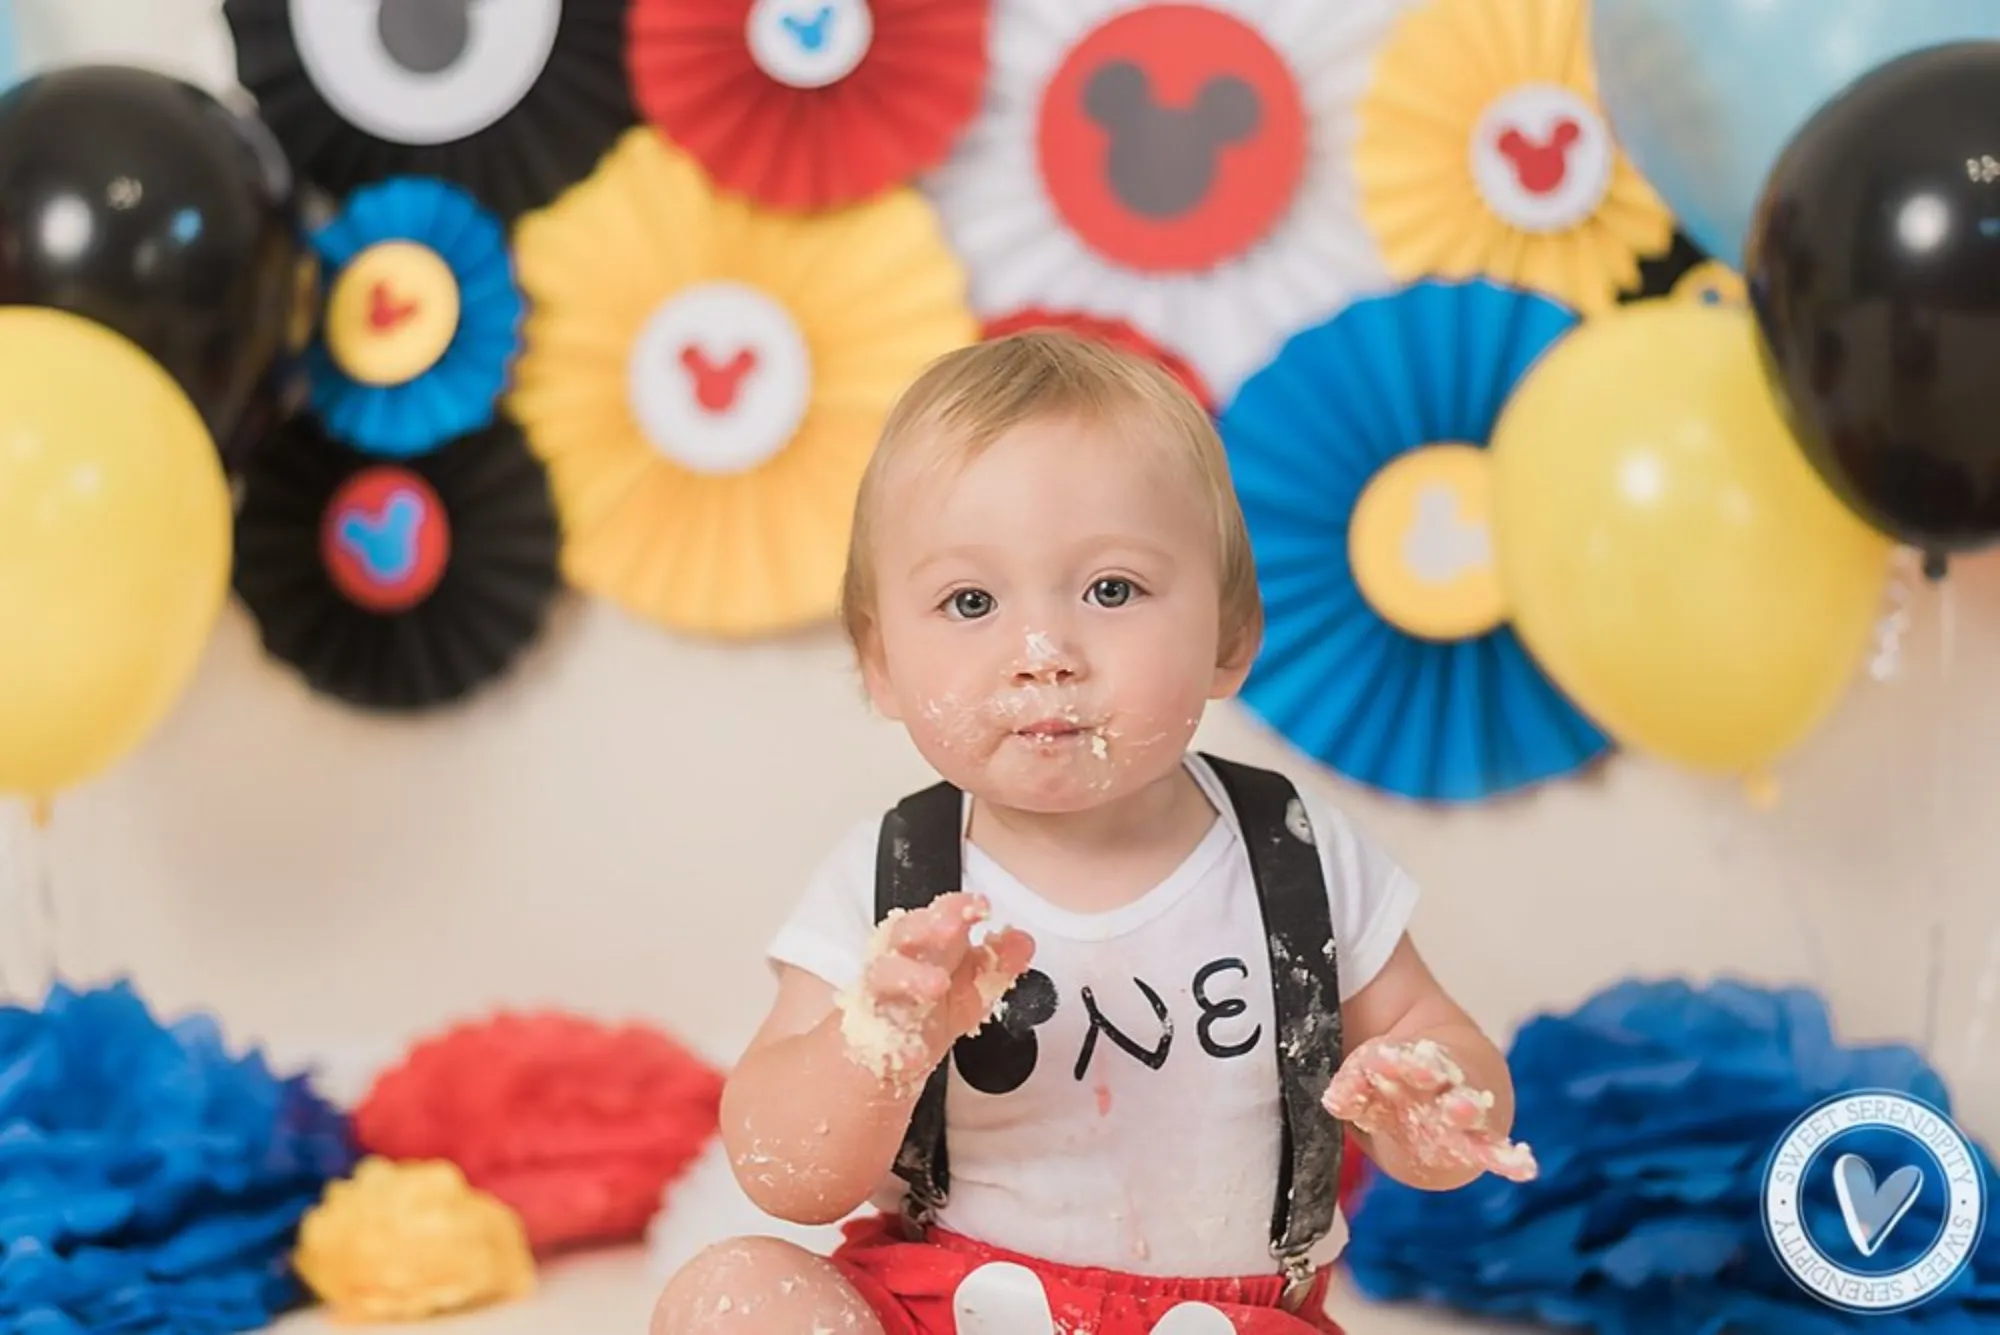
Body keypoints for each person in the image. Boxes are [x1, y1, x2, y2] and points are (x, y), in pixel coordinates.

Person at [653, 331, 1536, 1335]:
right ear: (880, 664)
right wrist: (874, 1045)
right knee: (733, 1295)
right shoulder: (888, 881)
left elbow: (1452, 1092)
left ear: (1229, 636)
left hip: (1227, 1320)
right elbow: (786, 1173)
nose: (1044, 654)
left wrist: (1430, 1099)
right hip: (945, 1304)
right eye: (970, 601)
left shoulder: (1294, 858)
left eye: (1110, 590)